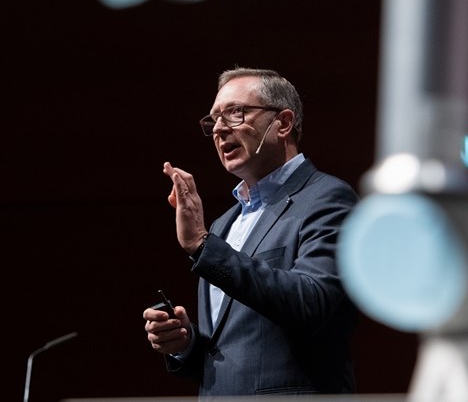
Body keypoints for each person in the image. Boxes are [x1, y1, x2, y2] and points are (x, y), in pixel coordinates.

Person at [142, 67, 360, 396]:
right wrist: (185, 343)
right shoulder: (224, 224)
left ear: (283, 123)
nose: (218, 128)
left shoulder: (328, 198)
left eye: (235, 113)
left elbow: (312, 302)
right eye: (213, 120)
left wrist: (203, 246)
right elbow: (233, 351)